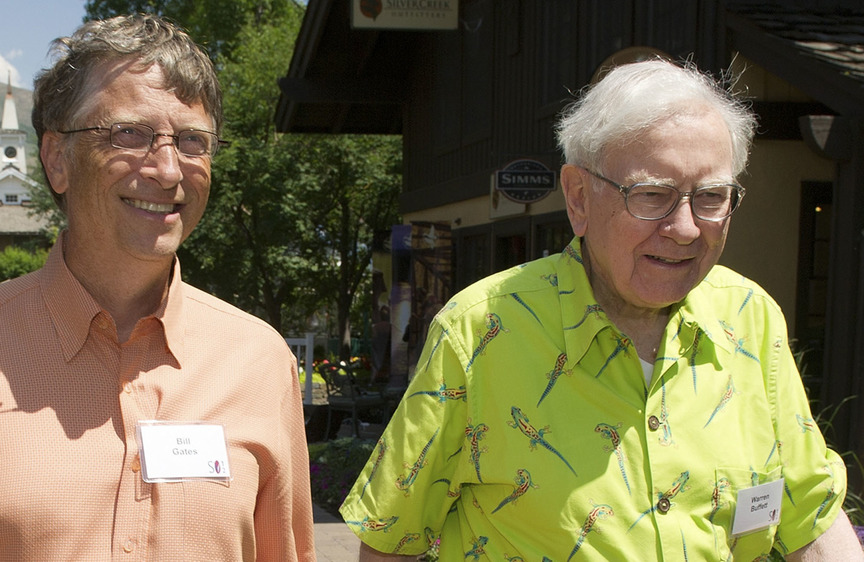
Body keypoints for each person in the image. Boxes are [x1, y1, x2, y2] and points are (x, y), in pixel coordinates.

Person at [341, 59, 863, 560]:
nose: (685, 228)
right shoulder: (480, 331)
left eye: (710, 197)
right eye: (652, 195)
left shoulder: (751, 317)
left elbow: (810, 519)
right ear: (578, 198)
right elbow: (394, 540)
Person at [0, 14, 314, 560]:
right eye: (130, 134)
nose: (169, 170)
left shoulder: (259, 361)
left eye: (193, 141)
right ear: (57, 160)